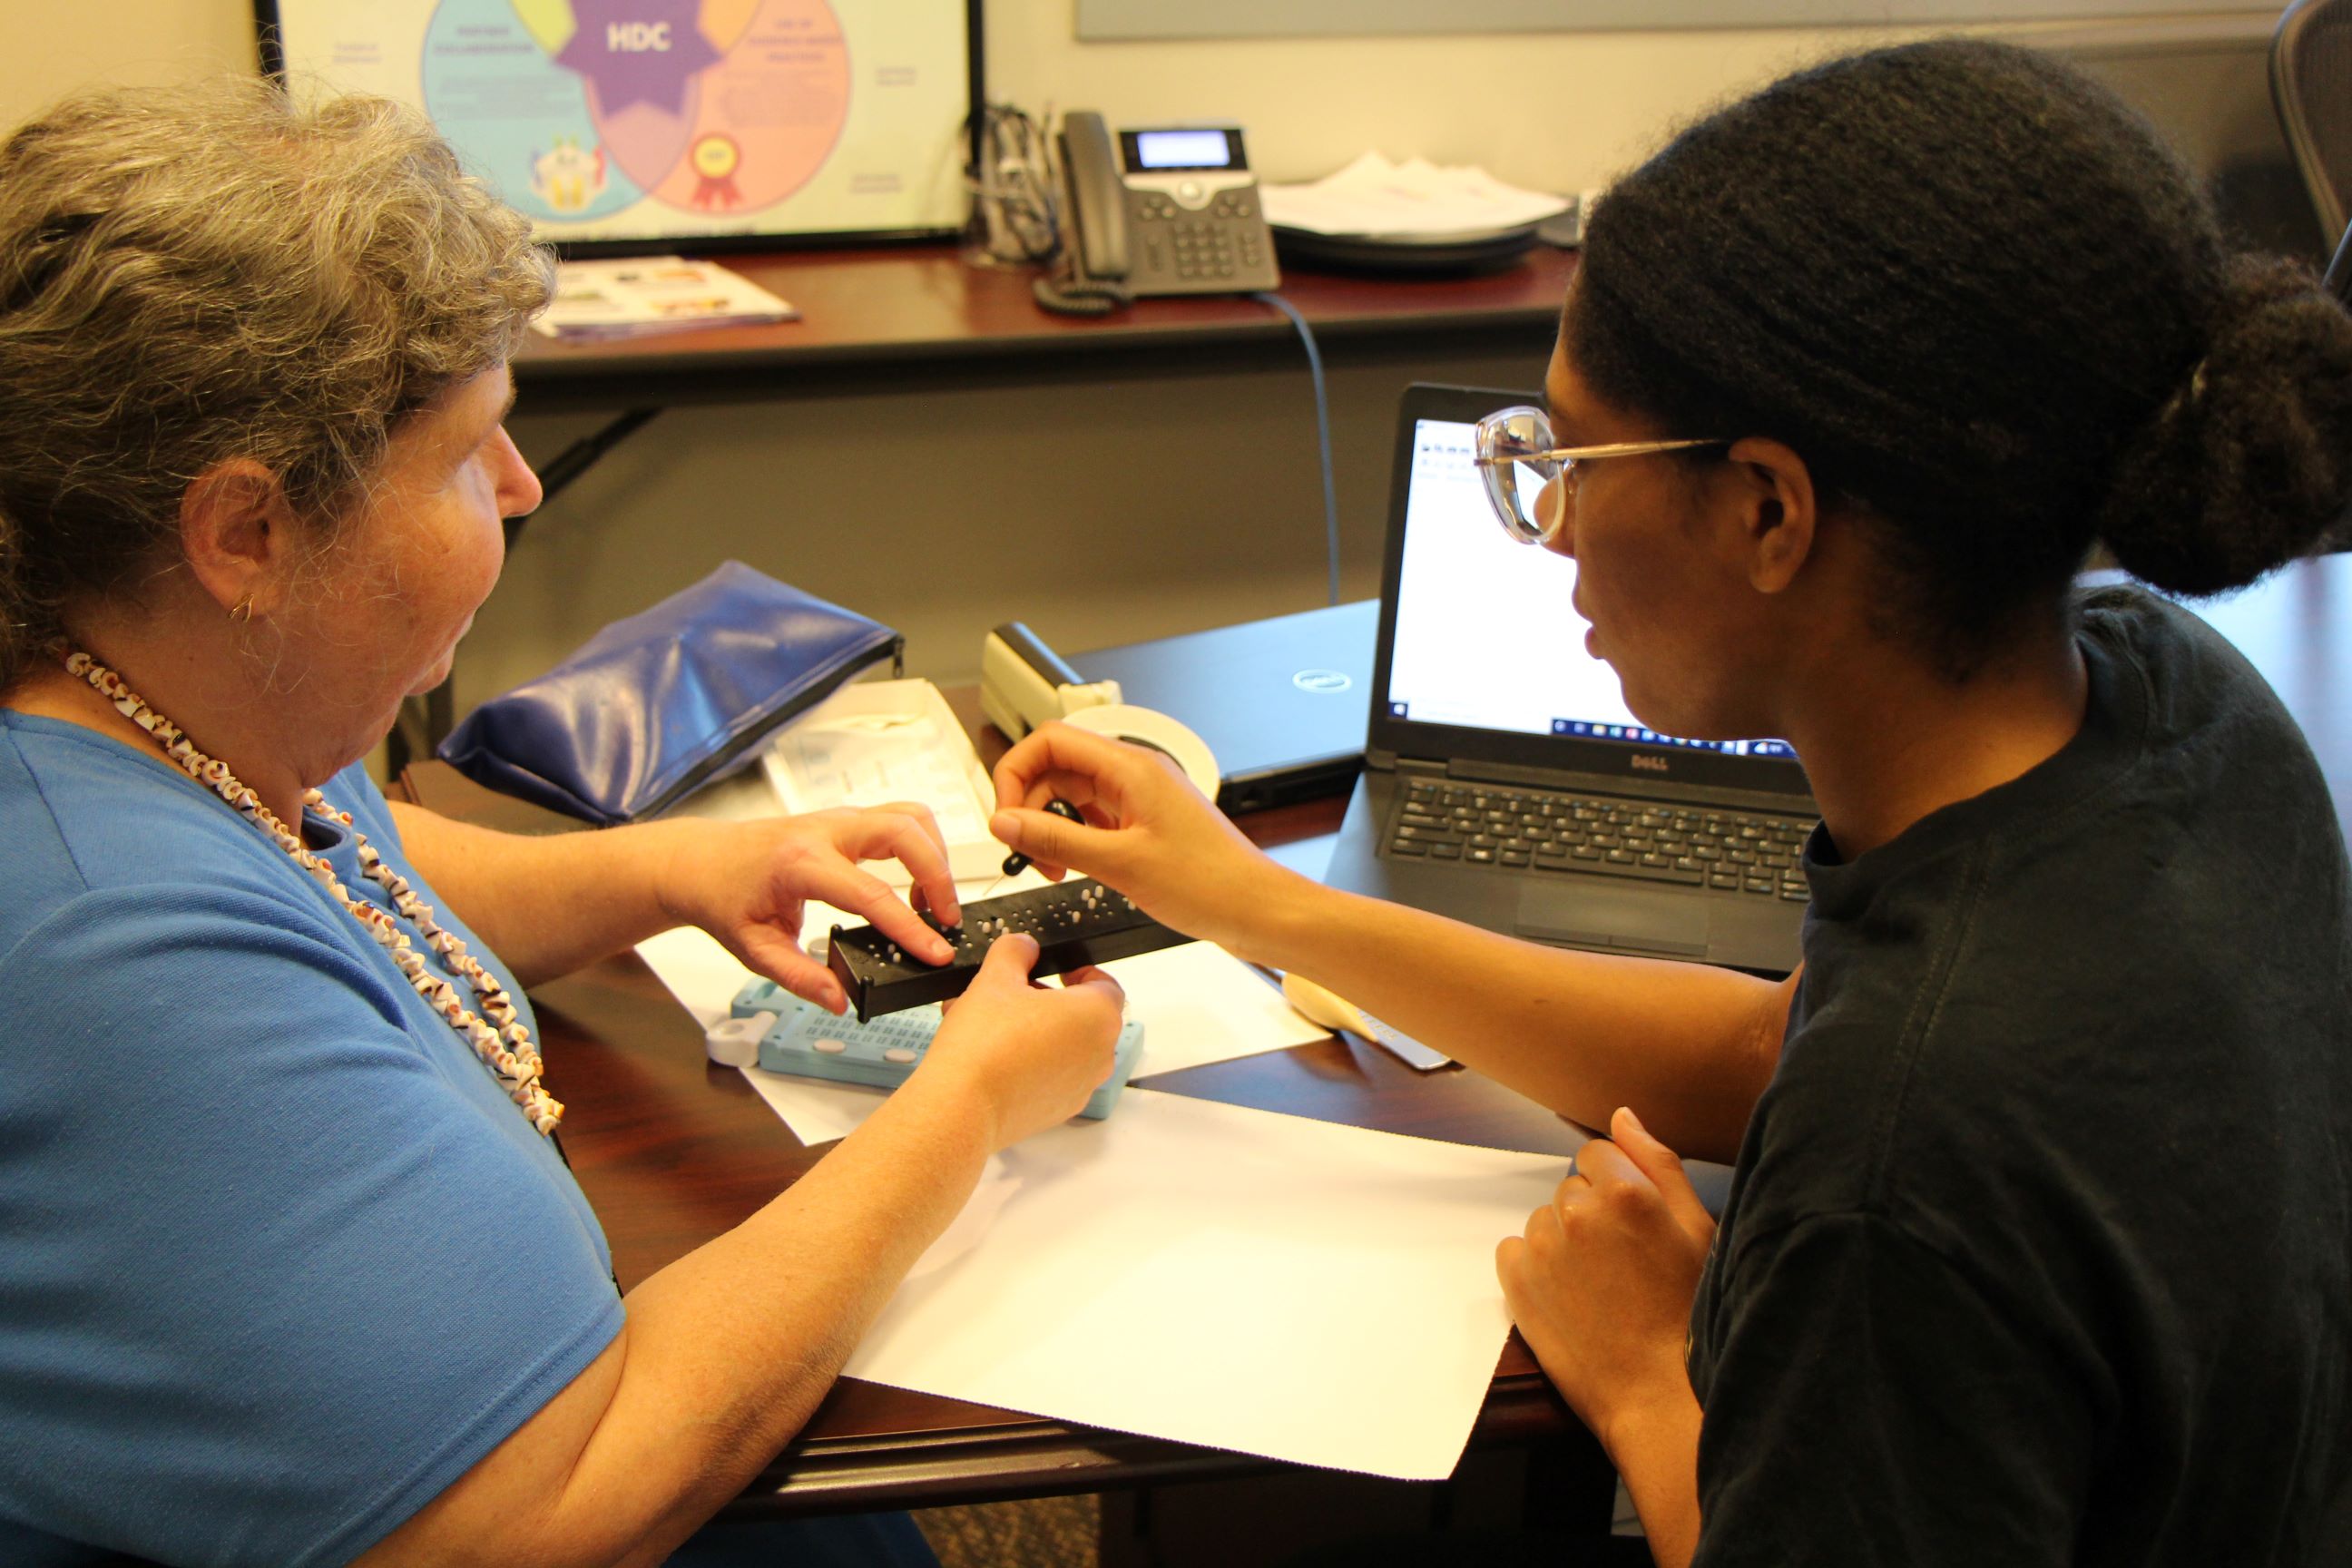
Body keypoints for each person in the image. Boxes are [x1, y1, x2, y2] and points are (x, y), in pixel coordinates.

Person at [989, 39, 2352, 1568]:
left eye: (1570, 457)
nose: (1551, 526)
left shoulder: (1898, 1175)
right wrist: (1251, 898)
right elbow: (1777, 1047)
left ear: (1768, 512)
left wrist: (1649, 1374)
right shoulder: (2172, 705)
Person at [0, 80, 1126, 1567]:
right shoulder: (111, 957)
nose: (523, 488)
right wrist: (966, 1104)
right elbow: (553, 1503)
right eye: (471, 452)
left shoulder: (168, 688)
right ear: (247, 533)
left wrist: (678, 866)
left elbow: (361, 871)